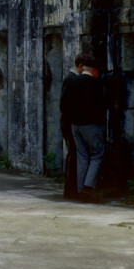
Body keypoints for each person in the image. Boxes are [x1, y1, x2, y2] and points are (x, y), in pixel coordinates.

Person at [59, 53, 105, 202]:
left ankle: (79, 190)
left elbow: (63, 105)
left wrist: (73, 118)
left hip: (75, 125)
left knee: (82, 156)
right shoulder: (95, 84)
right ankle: (88, 187)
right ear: (94, 71)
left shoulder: (72, 81)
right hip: (91, 124)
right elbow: (101, 105)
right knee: (97, 155)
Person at [59, 54, 86, 200]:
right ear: (81, 65)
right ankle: (70, 190)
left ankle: (71, 189)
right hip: (68, 121)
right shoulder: (71, 79)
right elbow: (64, 104)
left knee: (74, 153)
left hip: (68, 120)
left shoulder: (71, 78)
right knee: (73, 153)